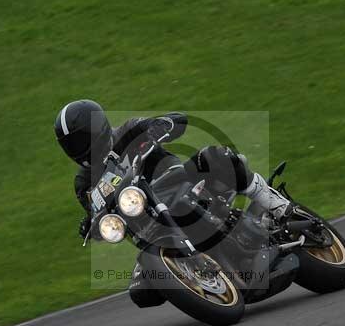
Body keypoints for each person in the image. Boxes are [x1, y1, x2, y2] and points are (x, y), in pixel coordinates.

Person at [54, 99, 290, 238]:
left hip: (178, 182)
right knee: (143, 292)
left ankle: (276, 205)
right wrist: (91, 226)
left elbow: (176, 120)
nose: (79, 148)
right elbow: (99, 215)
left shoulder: (129, 131)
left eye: (82, 138)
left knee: (214, 157)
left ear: (98, 127)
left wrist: (162, 125)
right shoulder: (83, 183)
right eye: (71, 144)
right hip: (147, 223)